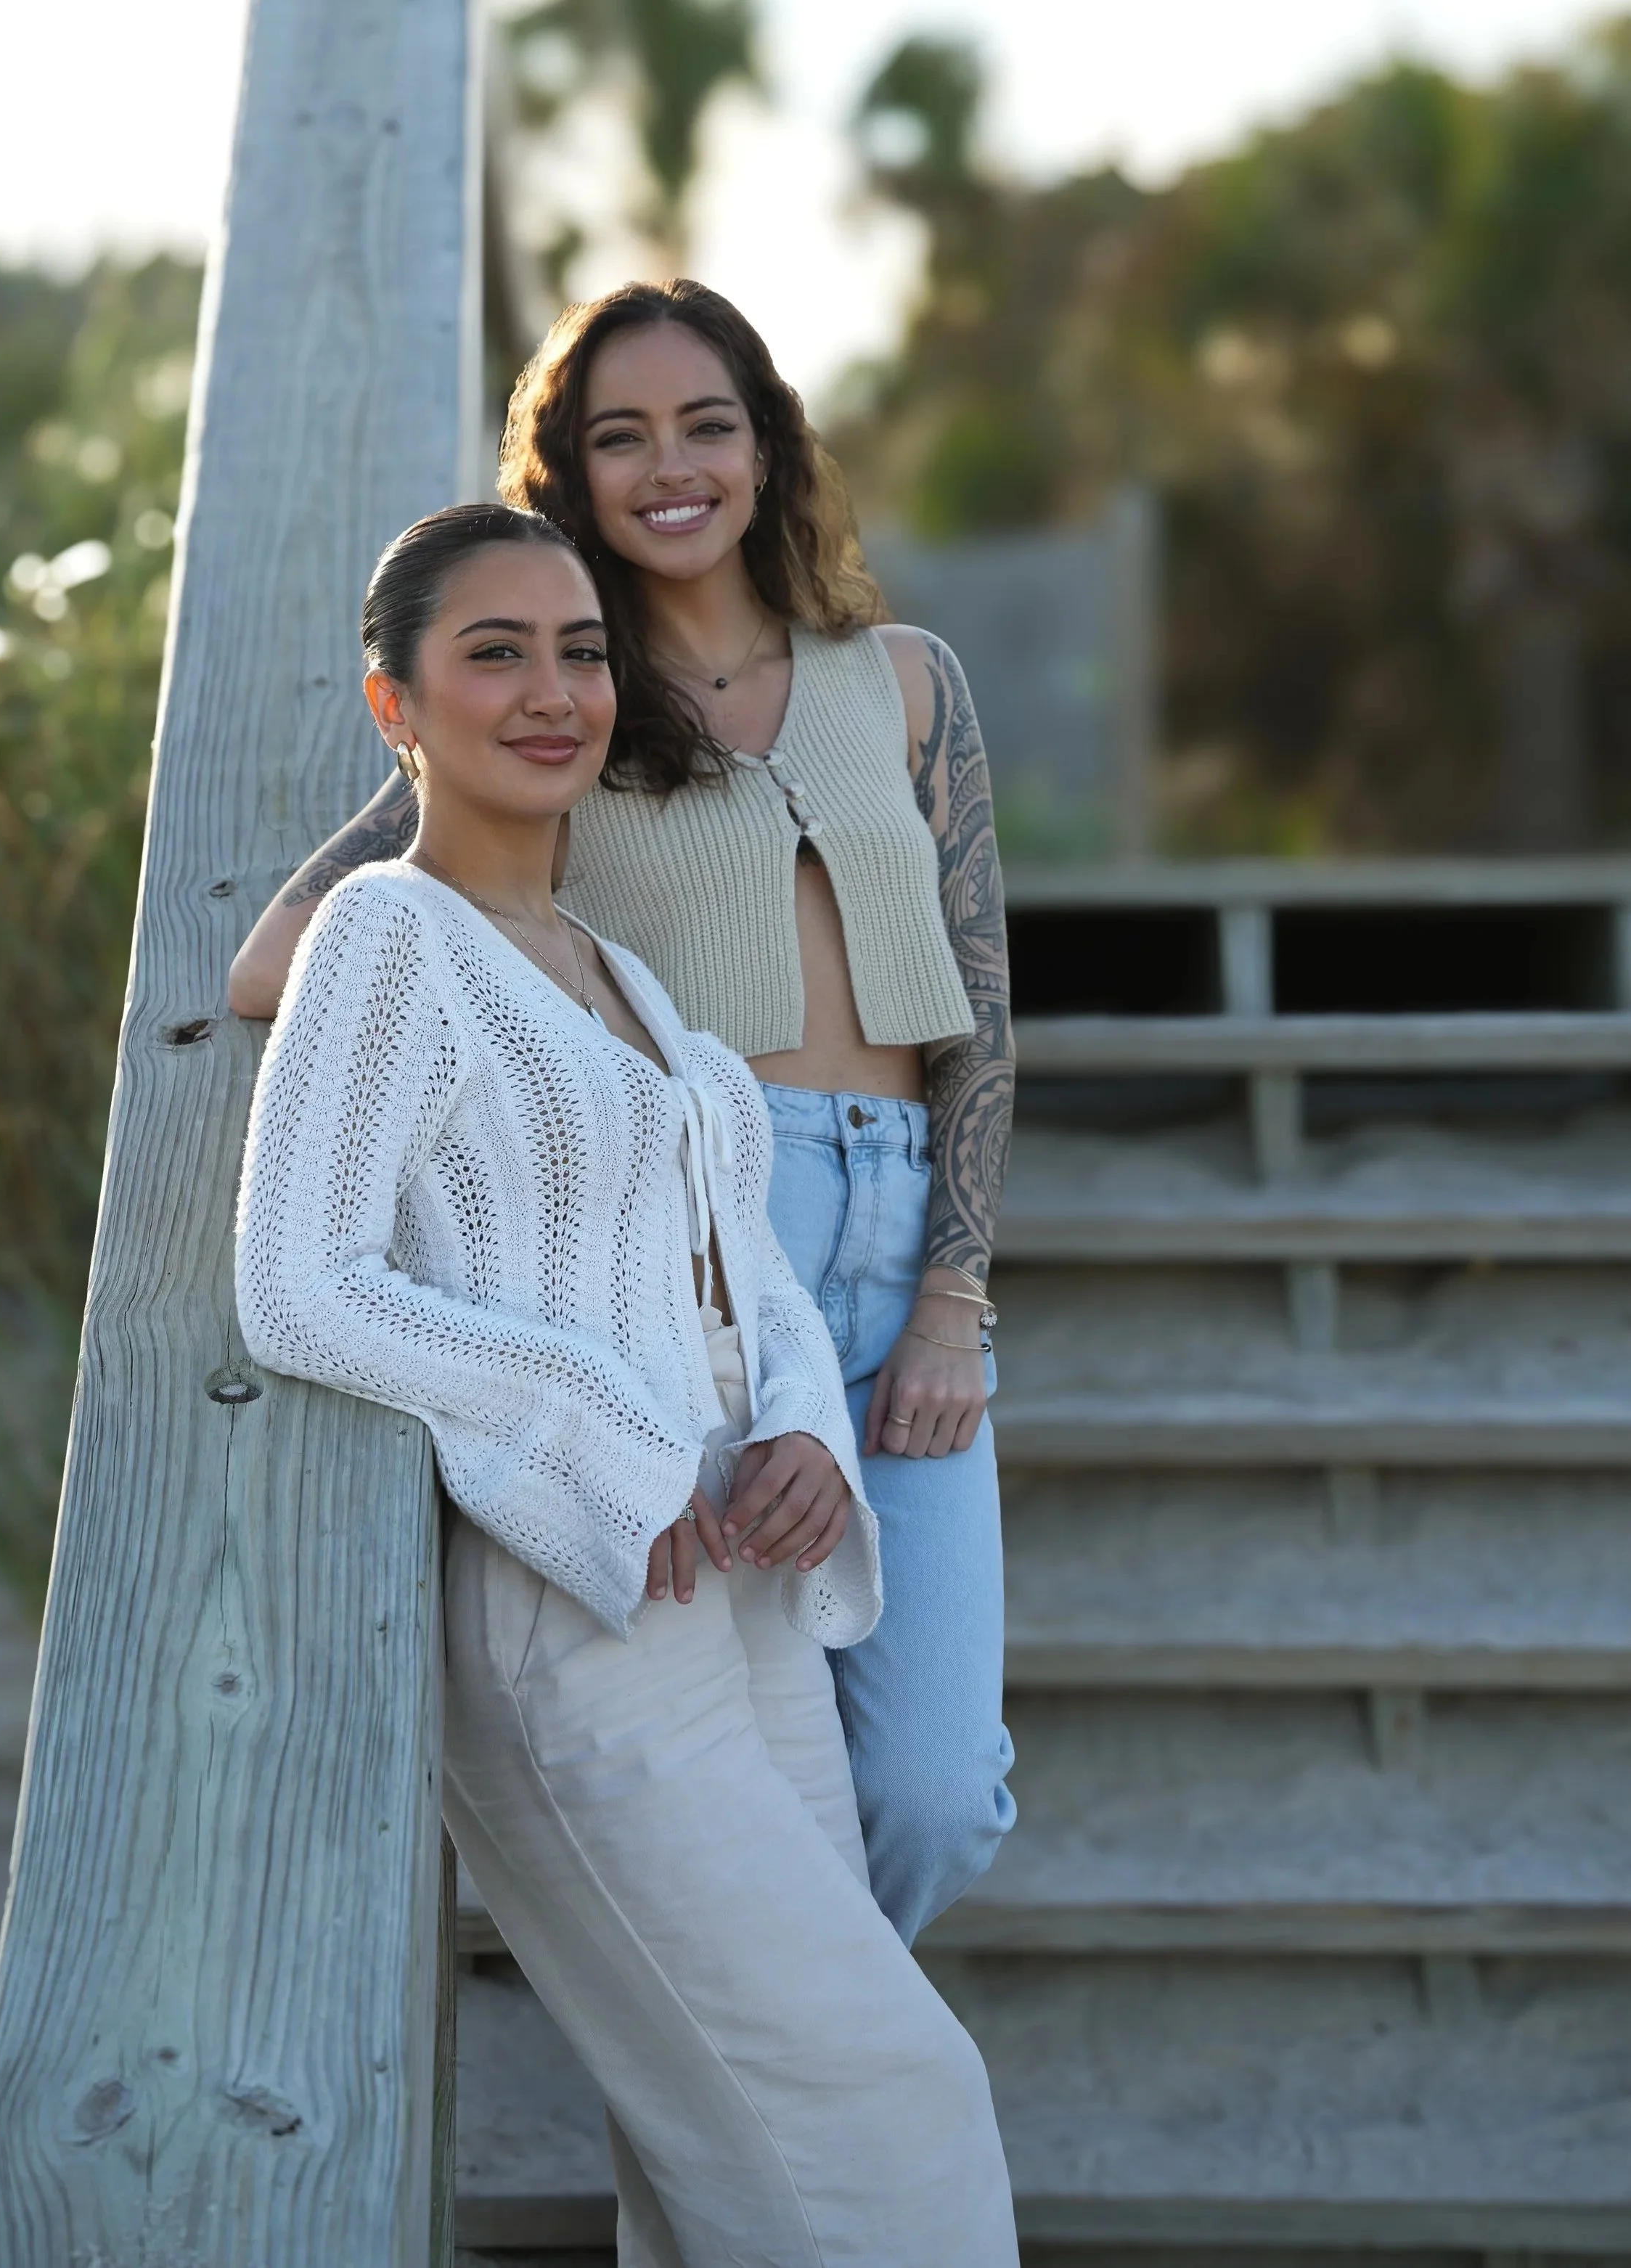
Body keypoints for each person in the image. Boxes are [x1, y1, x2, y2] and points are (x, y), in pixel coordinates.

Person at [234, 502, 1017, 2266]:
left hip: (742, 1587)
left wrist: (808, 1420)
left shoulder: (628, 978)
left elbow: (742, 1260)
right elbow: (300, 1284)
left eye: (577, 650)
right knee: (884, 2096)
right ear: (396, 708)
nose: (551, 690)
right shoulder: (388, 936)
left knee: (723, 2161)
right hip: (583, 1603)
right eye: (491, 654)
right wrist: (601, 1429)